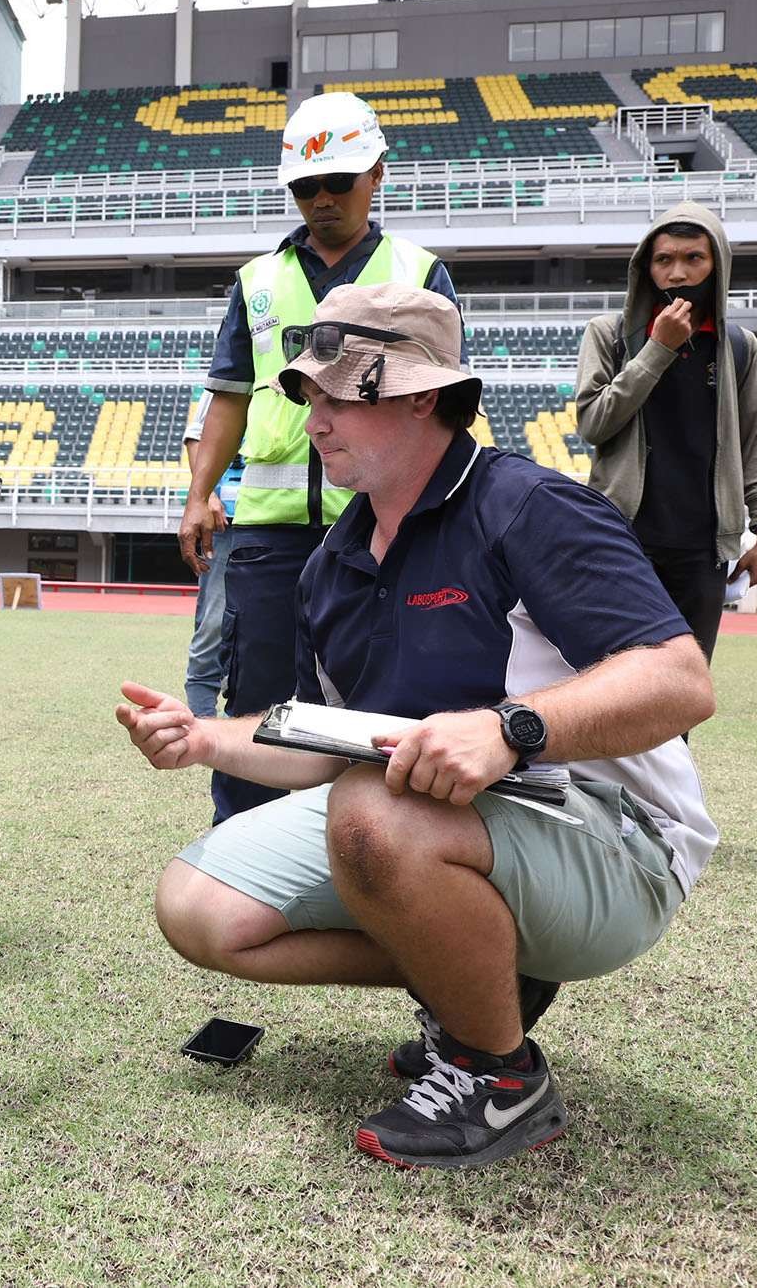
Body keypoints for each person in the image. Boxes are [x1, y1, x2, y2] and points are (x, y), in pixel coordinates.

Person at [120, 282, 718, 1169]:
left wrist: (512, 728)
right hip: (458, 826)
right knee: (200, 907)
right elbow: (326, 742)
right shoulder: (334, 561)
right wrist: (204, 738)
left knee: (376, 812)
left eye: (342, 394)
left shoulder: (530, 506)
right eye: (307, 396)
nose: (315, 420)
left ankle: (499, 1074)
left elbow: (681, 681)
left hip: (617, 841)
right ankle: (479, 979)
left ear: (425, 394)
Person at [180, 91, 462, 827]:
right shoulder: (256, 282)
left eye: (338, 181)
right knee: (262, 713)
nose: (322, 199)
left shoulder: (419, 272)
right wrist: (197, 493)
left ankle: (384, 866)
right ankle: (242, 862)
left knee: (389, 715)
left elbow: (453, 405)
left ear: (378, 172)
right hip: (270, 540)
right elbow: (230, 398)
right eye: (306, 186)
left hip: (388, 533)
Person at [576, 202, 757, 661]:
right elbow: (594, 423)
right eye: (663, 259)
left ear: (716, 265)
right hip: (622, 540)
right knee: (615, 678)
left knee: (684, 685)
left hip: (703, 550)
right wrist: (656, 350)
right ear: (646, 268)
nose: (678, 272)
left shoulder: (739, 348)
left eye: (693, 258)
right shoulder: (608, 335)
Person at [181, 394, 242, 717]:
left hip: (281, 523)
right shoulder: (229, 378)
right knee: (214, 625)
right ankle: (202, 723)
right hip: (227, 525)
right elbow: (195, 437)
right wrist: (206, 496)